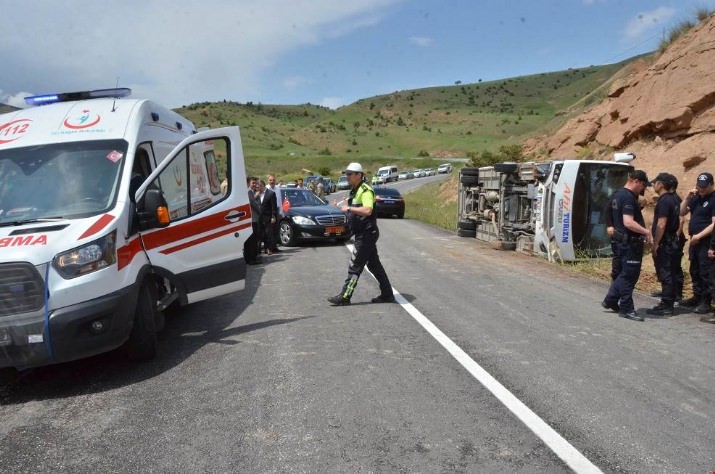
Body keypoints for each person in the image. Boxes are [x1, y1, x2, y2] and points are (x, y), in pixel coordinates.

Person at [328, 162, 395, 306]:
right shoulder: (355, 190)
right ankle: (387, 294)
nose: (347, 177)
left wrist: (349, 208)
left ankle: (345, 296)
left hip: (366, 234)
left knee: (355, 265)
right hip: (363, 233)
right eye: (346, 174)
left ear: (359, 175)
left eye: (350, 174)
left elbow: (367, 210)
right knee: (374, 265)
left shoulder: (365, 190)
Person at [601, 170, 652, 321]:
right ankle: (626, 308)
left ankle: (610, 299)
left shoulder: (619, 194)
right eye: (643, 185)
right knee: (629, 276)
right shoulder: (628, 197)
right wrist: (646, 232)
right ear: (636, 181)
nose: (643, 189)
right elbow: (628, 222)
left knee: (624, 274)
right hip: (629, 243)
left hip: (622, 242)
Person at [679, 172, 715, 314]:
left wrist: (699, 236)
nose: (701, 189)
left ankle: (706, 301)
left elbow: (714, 224)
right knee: (695, 269)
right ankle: (697, 296)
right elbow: (682, 212)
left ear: (712, 184)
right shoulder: (696, 198)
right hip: (695, 240)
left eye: (704, 187)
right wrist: (687, 198)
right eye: (699, 186)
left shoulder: (713, 199)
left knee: (705, 271)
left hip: (706, 241)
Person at [646, 173, 681, 316]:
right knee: (671, 272)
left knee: (665, 273)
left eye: (655, 183)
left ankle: (666, 305)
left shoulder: (664, 201)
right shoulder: (675, 199)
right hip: (672, 240)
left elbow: (661, 223)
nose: (654, 185)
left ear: (661, 184)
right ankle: (669, 301)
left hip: (665, 242)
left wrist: (656, 244)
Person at [244, 176, 262, 265]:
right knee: (251, 240)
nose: (255, 185)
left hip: (255, 219)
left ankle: (251, 258)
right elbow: (254, 205)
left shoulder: (254, 193)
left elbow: (259, 203)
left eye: (256, 183)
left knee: (254, 239)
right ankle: (251, 259)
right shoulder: (248, 192)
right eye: (253, 183)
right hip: (252, 219)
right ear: (248, 183)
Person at [258, 180, 278, 256]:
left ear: (262, 186)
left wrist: (273, 216)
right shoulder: (256, 194)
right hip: (259, 217)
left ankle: (269, 248)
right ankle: (259, 249)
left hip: (268, 217)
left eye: (258, 186)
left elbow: (274, 207)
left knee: (268, 233)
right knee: (261, 233)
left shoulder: (271, 193)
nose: (257, 188)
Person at [266, 174, 282, 253]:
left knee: (276, 230)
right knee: (269, 231)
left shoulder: (278, 189)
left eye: (273, 180)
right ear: (268, 181)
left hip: (277, 210)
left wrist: (281, 212)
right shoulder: (266, 189)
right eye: (270, 180)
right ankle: (269, 247)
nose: (272, 181)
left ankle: (274, 246)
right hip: (269, 211)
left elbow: (280, 201)